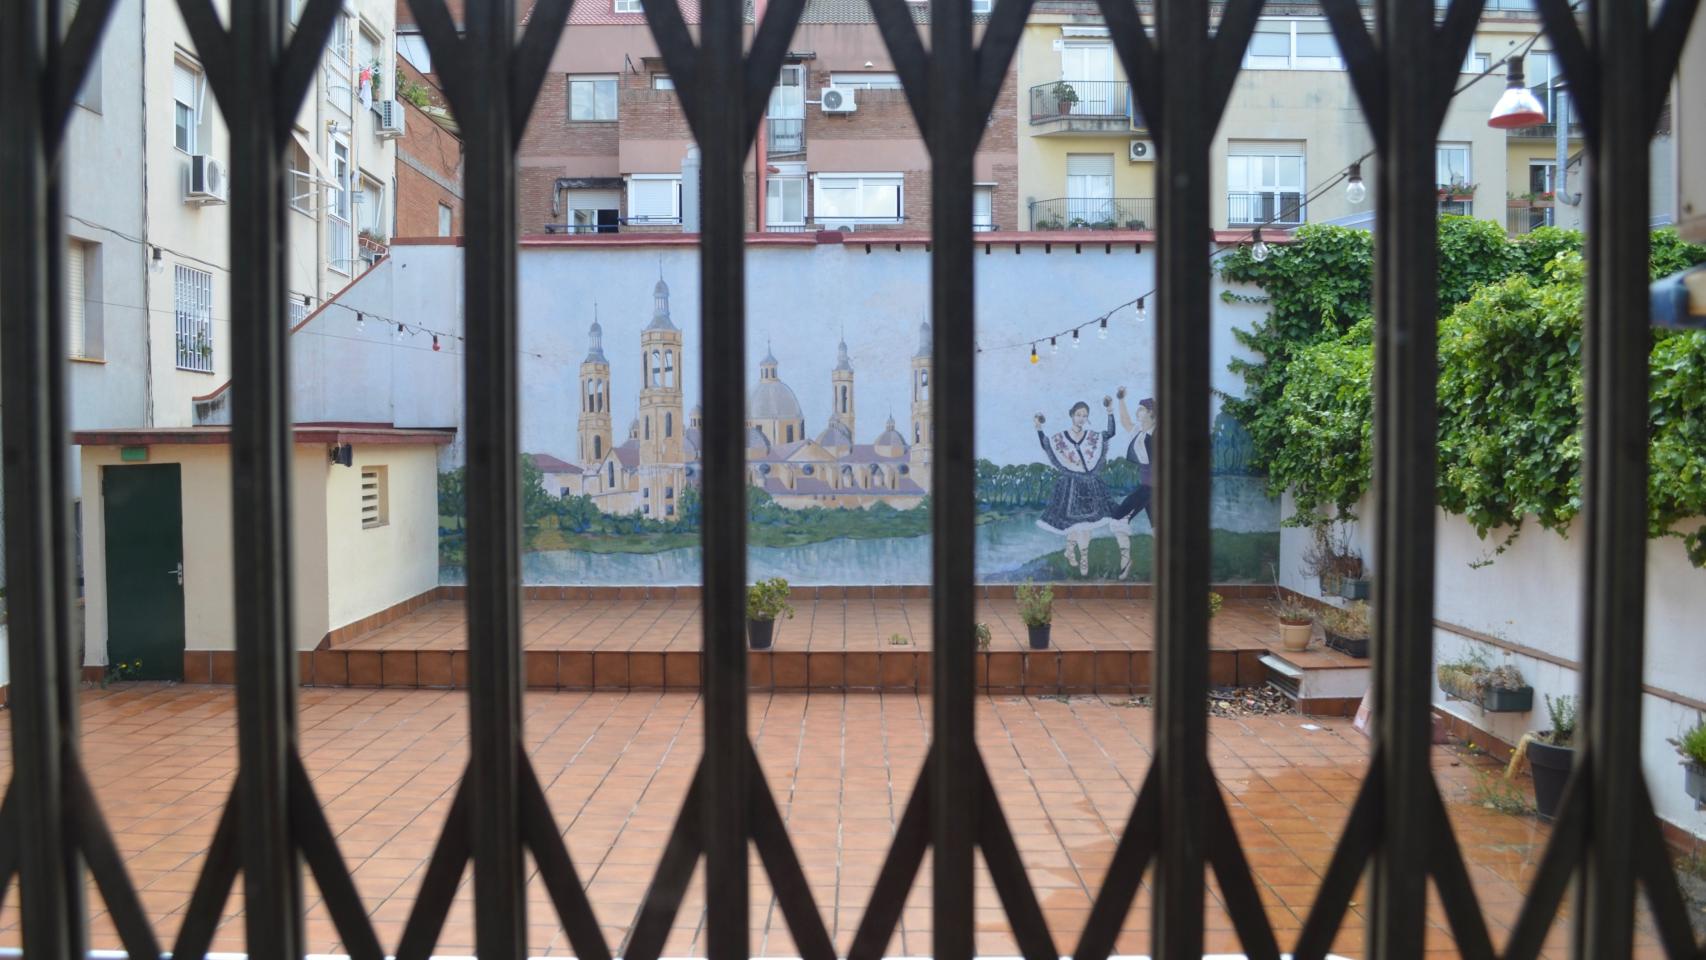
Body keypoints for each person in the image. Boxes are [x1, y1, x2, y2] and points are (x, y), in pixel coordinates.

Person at [1034, 397, 1132, 578]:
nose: (1081, 418)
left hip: (1090, 485)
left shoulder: (1092, 437)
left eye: (1085, 416)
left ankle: (1080, 555)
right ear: (1072, 415)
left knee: (1085, 524)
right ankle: (1074, 552)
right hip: (1070, 486)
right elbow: (1046, 444)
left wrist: (1110, 411)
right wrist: (1038, 427)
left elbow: (1110, 433)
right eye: (1078, 415)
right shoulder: (1061, 438)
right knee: (1076, 524)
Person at [1111, 390, 1156, 560]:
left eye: (1142, 409)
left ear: (1151, 412)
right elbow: (1125, 421)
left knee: (1118, 519)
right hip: (1146, 481)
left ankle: (1126, 560)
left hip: (1153, 485)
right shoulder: (1139, 429)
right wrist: (1121, 399)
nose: (1138, 411)